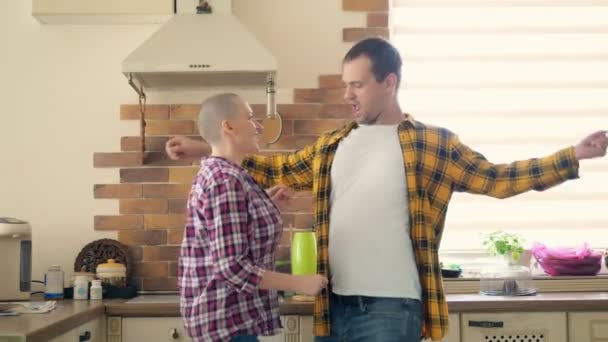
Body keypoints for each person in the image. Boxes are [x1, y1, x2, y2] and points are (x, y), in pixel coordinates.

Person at [169, 38, 608, 341]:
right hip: (333, 306)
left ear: (389, 82)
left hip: (391, 307)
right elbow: (275, 166)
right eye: (346, 84)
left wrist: (572, 156)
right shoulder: (333, 144)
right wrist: (202, 146)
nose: (348, 94)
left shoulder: (432, 144)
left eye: (357, 84)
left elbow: (497, 179)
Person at [178, 93, 328, 342]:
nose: (258, 126)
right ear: (229, 126)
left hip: (230, 322)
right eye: (250, 117)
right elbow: (232, 267)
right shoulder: (225, 180)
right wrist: (301, 283)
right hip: (226, 325)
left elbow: (233, 222)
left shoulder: (227, 175)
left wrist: (263, 200)